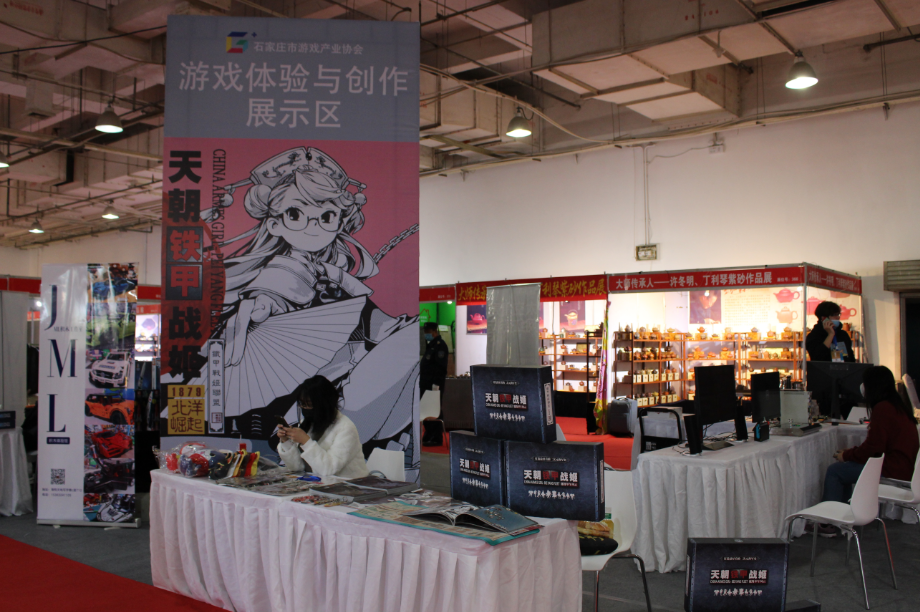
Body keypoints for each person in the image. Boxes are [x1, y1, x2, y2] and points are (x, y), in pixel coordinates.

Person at [816, 366, 919, 537]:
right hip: (902, 466)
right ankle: (842, 518)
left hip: (892, 469)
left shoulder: (884, 409)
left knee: (835, 471)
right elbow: (876, 446)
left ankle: (827, 523)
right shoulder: (897, 406)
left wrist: (847, 455)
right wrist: (850, 453)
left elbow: (874, 449)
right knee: (844, 470)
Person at [276, 375, 370, 479]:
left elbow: (329, 470)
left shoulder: (345, 428)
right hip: (318, 483)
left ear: (324, 403)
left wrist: (305, 441)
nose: (305, 409)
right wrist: (286, 441)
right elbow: (297, 467)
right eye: (302, 404)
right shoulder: (308, 423)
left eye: (309, 404)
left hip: (348, 484)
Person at [420, 322, 448, 398]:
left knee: (433, 404)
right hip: (426, 384)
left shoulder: (440, 345)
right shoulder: (431, 345)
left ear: (434, 331)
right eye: (425, 332)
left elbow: (441, 366)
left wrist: (436, 384)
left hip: (432, 385)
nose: (426, 334)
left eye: (428, 332)